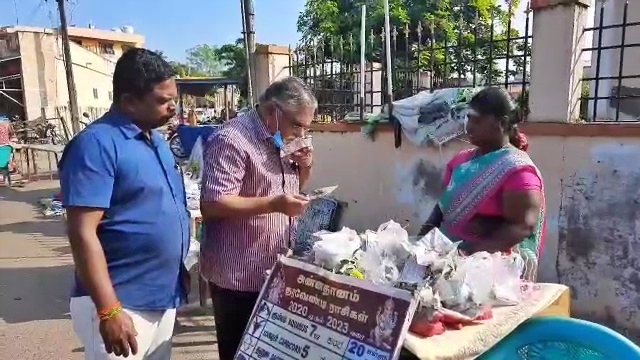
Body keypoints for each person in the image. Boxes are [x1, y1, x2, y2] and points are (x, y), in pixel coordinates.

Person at [59, 48, 190, 360]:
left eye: (173, 98)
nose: (172, 107)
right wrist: (109, 310)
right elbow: (82, 233)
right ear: (129, 100)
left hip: (160, 297)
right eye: (162, 100)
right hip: (121, 302)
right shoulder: (96, 145)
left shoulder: (155, 140)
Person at [200, 76, 316, 360]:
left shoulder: (281, 137)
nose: (301, 134)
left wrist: (305, 165)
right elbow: (213, 203)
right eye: (297, 125)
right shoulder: (231, 140)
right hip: (238, 275)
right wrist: (274, 204)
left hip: (274, 269)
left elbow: (294, 186)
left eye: (307, 127)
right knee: (239, 352)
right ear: (273, 110)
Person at [418, 86, 545, 280]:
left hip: (490, 269)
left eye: (476, 120)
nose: (468, 127)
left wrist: (468, 255)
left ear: (502, 124)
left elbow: (521, 226)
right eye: (468, 119)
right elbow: (443, 207)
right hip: (447, 259)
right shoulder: (460, 162)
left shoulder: (518, 171)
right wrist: (421, 240)